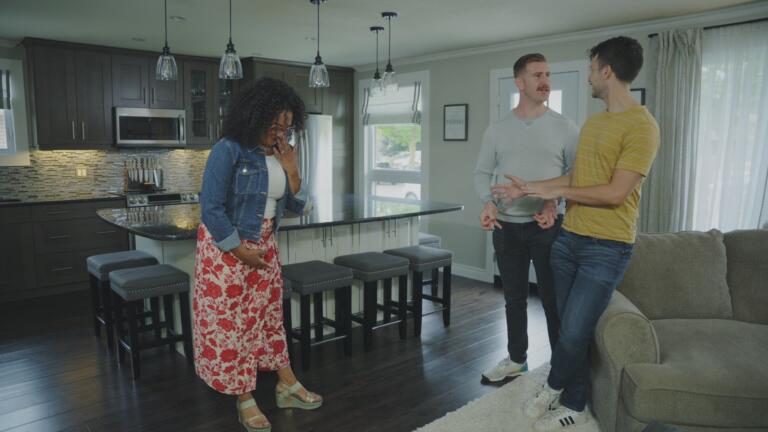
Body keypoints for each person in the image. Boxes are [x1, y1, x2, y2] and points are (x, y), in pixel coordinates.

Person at [493, 36, 660, 430]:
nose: (588, 77)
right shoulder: (595, 122)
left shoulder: (643, 126)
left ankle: (553, 387)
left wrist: (554, 193)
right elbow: (576, 178)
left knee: (572, 331)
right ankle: (575, 401)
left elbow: (615, 193)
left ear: (607, 71)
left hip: (607, 248)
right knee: (568, 327)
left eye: (591, 69)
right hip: (568, 240)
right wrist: (532, 188)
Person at [193, 77, 322, 432]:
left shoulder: (280, 153)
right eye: (274, 125)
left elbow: (296, 206)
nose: (279, 133)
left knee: (268, 318)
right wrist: (239, 250)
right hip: (226, 251)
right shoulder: (229, 149)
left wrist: (292, 167)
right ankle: (244, 398)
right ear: (254, 116)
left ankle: (286, 384)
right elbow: (211, 208)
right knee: (233, 326)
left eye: (286, 127)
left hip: (265, 246)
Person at [474, 53, 579, 384]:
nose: (545, 81)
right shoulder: (497, 130)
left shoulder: (565, 127)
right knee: (514, 299)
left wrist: (552, 201)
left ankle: (561, 370)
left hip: (547, 229)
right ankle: (517, 360)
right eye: (537, 75)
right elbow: (481, 173)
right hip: (505, 228)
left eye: (547, 74)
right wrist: (489, 203)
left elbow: (575, 175)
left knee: (552, 300)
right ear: (520, 82)